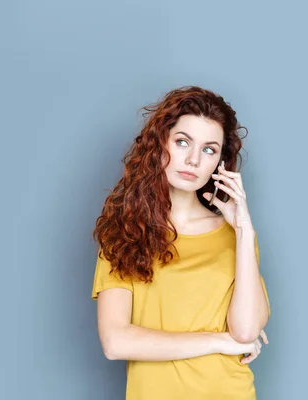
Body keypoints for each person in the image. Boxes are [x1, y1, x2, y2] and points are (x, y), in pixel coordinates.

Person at [91, 85, 271, 400]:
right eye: (183, 142)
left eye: (209, 149)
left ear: (220, 163)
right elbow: (116, 342)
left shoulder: (236, 238)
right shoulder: (125, 233)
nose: (192, 159)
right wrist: (217, 341)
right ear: (160, 144)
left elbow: (245, 332)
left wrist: (244, 230)